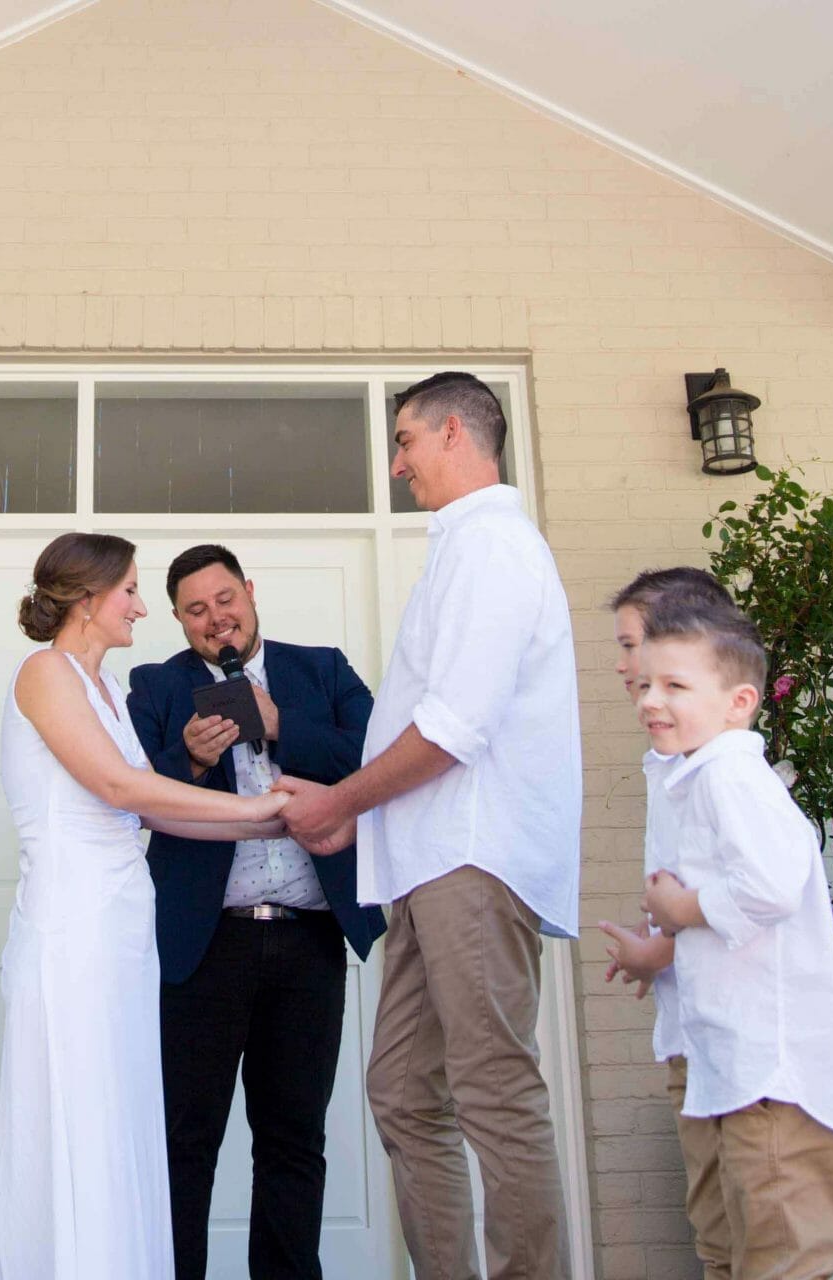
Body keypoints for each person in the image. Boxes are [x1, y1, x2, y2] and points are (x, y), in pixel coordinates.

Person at [278, 371, 580, 1280]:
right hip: (418, 867)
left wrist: (340, 802)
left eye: (406, 441)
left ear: (455, 431)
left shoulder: (495, 548)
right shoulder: (458, 551)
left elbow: (454, 725)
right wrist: (360, 826)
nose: (399, 465)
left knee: (493, 1088)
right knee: (405, 1094)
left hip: (471, 858)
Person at [0, 532, 290, 1280]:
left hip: (123, 935)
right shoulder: (45, 672)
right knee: (79, 1121)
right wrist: (255, 815)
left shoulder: (106, 693)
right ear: (87, 600)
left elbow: (152, 815)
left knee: (122, 1124)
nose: (141, 607)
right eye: (128, 590)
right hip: (74, 932)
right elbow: (123, 789)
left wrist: (274, 816)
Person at [126, 544, 387, 1280]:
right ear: (178, 620)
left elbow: (377, 757)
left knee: (293, 1139)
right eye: (197, 611)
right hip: (205, 945)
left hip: (309, 943)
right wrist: (194, 763)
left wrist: (279, 727)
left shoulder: (322, 669)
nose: (218, 620)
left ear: (249, 591)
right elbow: (130, 796)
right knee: (188, 1139)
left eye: (225, 600)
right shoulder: (155, 686)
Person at [633, 594, 833, 1279]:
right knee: (734, 1246)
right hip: (730, 1061)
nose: (652, 698)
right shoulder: (693, 773)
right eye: (646, 683)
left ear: (739, 702)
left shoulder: (732, 774)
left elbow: (772, 885)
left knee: (782, 1249)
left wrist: (683, 907)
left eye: (675, 685)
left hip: (772, 1069)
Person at [596, 567, 739, 1279]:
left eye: (634, 645)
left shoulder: (726, 774)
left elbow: (769, 890)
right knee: (717, 1240)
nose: (627, 669)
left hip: (739, 1054)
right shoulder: (670, 766)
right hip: (691, 1040)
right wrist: (659, 950)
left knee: (760, 1245)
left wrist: (674, 926)